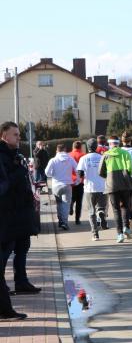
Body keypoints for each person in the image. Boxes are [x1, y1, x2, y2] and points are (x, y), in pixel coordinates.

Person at [1, 122, 39, 320]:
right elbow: (5, 185)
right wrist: (18, 171)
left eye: (19, 134)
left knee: (22, 247)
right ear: (4, 136)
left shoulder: (16, 156)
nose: (19, 137)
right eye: (15, 135)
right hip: (9, 217)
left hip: (20, 215)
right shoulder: (4, 157)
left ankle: (20, 282)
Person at [99, 136, 132, 243]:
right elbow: (130, 169)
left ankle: (119, 234)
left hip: (111, 184)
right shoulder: (125, 153)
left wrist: (108, 177)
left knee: (116, 210)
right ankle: (126, 228)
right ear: (118, 143)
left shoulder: (106, 155)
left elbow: (100, 171)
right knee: (125, 206)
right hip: (124, 183)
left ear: (109, 144)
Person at [76, 139, 107, 241]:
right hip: (102, 187)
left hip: (89, 188)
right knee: (100, 207)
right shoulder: (102, 157)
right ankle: (101, 213)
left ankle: (95, 234)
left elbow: (80, 174)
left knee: (91, 211)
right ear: (96, 146)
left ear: (87, 147)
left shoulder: (84, 158)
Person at [45, 144, 78, 230]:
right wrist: (77, 180)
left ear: (57, 150)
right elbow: (77, 169)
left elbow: (47, 172)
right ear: (65, 150)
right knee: (66, 205)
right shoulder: (70, 159)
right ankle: (64, 222)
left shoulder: (53, 160)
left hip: (56, 185)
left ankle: (60, 220)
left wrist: (53, 175)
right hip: (67, 185)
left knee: (59, 204)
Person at [69, 141, 86, 225]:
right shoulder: (83, 155)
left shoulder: (69, 155)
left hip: (70, 180)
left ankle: (71, 204)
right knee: (79, 201)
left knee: (72, 197)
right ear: (80, 147)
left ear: (73, 147)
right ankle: (77, 219)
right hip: (80, 180)